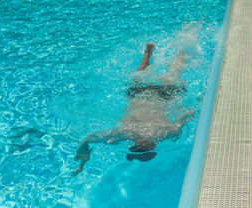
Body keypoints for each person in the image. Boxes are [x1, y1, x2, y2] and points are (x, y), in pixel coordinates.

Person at [73, 43, 194, 175]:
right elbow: (182, 120)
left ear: (134, 146)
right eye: (147, 147)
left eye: (140, 146)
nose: (146, 144)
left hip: (141, 97)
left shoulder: (125, 133)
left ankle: (150, 53)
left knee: (143, 77)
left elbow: (89, 139)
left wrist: (83, 157)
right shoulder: (161, 134)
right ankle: (175, 53)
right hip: (159, 98)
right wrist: (189, 112)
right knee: (170, 74)